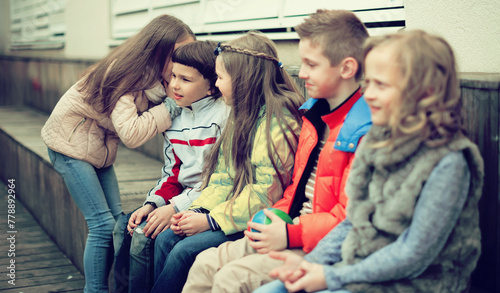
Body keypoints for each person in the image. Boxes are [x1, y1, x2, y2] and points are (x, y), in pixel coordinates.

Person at [255, 30, 484, 293]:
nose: (369, 94)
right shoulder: (376, 141)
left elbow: (413, 255)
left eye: (382, 85)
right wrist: (310, 264)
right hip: (358, 265)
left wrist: (333, 277)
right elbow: (353, 220)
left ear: (425, 92)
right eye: (369, 83)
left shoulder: (449, 162)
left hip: (417, 282)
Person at [182, 9, 371, 293]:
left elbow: (350, 216)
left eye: (311, 64)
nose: (301, 72)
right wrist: (273, 219)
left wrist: (289, 232)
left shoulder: (362, 132)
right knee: (205, 263)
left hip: (320, 245)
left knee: (230, 279)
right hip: (290, 228)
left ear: (346, 68)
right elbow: (295, 189)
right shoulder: (314, 118)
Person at [40, 14, 195, 293]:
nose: (184, 60)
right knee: (101, 225)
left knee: (114, 224)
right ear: (158, 52)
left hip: (97, 147)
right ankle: (95, 289)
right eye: (178, 54)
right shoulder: (126, 74)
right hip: (69, 145)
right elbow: (132, 133)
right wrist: (171, 107)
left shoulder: (155, 80)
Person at [149, 31, 305, 293]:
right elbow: (223, 176)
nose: (217, 85)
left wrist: (210, 221)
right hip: (231, 211)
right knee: (165, 239)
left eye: (220, 77)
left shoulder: (278, 125)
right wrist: (196, 211)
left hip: (258, 220)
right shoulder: (240, 114)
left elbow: (265, 194)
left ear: (244, 79)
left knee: (183, 251)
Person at [112, 40, 228, 293]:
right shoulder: (174, 118)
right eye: (173, 75)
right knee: (125, 226)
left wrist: (174, 208)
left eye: (185, 79)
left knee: (150, 236)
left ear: (212, 86)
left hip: (210, 200)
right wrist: (153, 204)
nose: (174, 84)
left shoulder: (223, 117)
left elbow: (219, 178)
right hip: (181, 199)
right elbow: (172, 172)